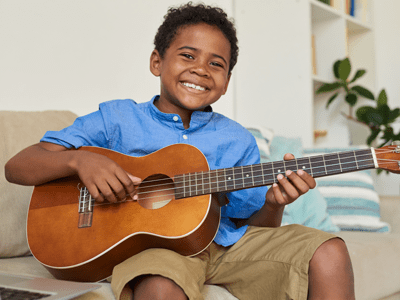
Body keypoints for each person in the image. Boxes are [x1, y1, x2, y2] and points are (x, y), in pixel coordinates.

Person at [5, 3, 355, 300]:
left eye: (216, 64)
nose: (201, 69)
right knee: (159, 285)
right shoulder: (117, 119)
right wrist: (80, 159)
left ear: (226, 83)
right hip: (154, 252)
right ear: (157, 62)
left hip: (227, 247)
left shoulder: (237, 140)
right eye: (188, 55)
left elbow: (254, 226)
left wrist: (275, 203)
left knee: (329, 250)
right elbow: (18, 166)